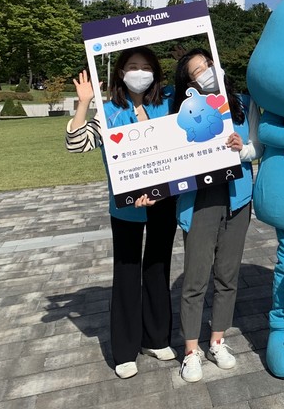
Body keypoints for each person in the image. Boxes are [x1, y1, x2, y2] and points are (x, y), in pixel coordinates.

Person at [65, 48, 177, 379]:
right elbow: (77, 145)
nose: (139, 72)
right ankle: (126, 350)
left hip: (163, 202)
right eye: (132, 66)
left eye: (145, 67)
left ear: (156, 72)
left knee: (158, 269)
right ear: (121, 72)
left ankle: (156, 338)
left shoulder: (167, 105)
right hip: (126, 207)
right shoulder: (108, 110)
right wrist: (85, 102)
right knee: (127, 273)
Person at [173, 49, 263, 383]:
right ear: (189, 82)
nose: (204, 73)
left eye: (207, 65)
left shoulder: (241, 101)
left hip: (237, 198)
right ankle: (191, 352)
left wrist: (243, 148)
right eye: (196, 71)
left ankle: (218, 341)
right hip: (199, 202)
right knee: (195, 279)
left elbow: (257, 147)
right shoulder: (180, 111)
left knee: (227, 275)